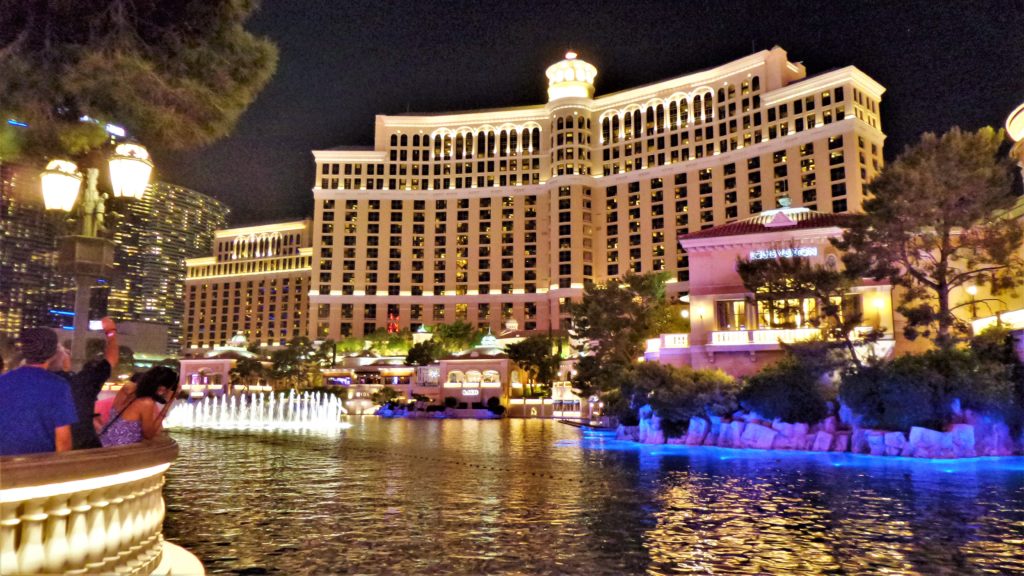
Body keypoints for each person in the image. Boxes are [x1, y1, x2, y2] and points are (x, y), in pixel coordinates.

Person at [0, 328, 78, 456]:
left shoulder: (3, 380)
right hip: (39, 465)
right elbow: (63, 441)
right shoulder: (58, 386)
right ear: (53, 353)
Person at [51, 317, 119, 449]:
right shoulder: (82, 382)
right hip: (83, 451)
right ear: (61, 360)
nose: (69, 353)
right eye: (66, 352)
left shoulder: (38, 384)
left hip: (45, 453)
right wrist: (111, 332)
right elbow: (111, 359)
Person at [99, 366, 178, 446]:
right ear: (162, 389)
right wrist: (168, 404)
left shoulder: (127, 388)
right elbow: (149, 435)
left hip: (104, 442)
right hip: (121, 450)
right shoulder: (146, 403)